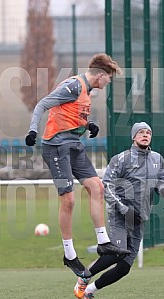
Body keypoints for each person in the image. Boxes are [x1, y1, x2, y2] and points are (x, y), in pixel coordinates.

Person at [25, 53, 130, 278]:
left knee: (97, 187)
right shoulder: (73, 86)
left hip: (74, 145)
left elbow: (70, 114)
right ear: (101, 75)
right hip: (56, 147)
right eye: (109, 78)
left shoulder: (87, 92)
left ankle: (104, 242)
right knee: (69, 200)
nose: (109, 82)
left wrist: (88, 124)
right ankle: (69, 255)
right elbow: (42, 104)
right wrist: (33, 130)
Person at [73, 121, 164, 299]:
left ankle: (90, 291)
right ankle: (84, 277)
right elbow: (107, 185)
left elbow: (161, 180)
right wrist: (124, 208)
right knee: (115, 254)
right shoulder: (121, 159)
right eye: (141, 132)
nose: (145, 135)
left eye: (148, 132)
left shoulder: (157, 158)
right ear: (134, 137)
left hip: (140, 218)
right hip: (120, 215)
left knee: (124, 267)